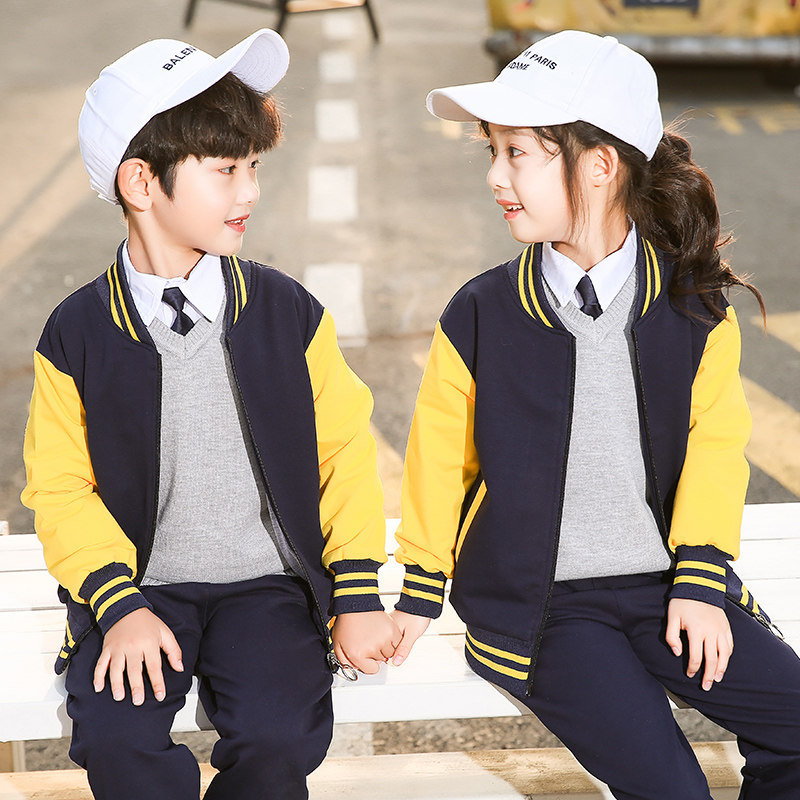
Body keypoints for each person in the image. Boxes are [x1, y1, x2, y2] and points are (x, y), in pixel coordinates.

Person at [389, 29, 800, 799]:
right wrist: (419, 589)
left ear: (601, 166)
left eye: (517, 153)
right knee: (671, 788)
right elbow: (439, 458)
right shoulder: (481, 312)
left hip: (669, 581)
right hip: (546, 606)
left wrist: (700, 582)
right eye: (492, 152)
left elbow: (715, 448)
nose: (495, 176)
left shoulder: (694, 307)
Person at [21, 30, 399, 800]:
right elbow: (59, 488)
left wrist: (358, 592)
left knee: (279, 734)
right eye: (225, 170)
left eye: (253, 166)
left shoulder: (287, 313)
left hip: (266, 585)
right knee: (117, 738)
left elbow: (343, 456)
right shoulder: (77, 334)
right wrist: (117, 605)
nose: (249, 192)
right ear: (140, 181)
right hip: (137, 587)